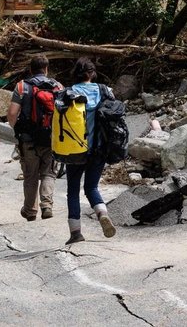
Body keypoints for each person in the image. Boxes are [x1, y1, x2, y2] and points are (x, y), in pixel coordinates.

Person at [65, 57, 116, 244]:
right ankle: (102, 212)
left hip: (74, 150)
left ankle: (76, 233)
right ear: (92, 73)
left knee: (72, 190)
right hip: (100, 148)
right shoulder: (105, 91)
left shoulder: (68, 92)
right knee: (91, 187)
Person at [7, 55, 63, 221]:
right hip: (51, 139)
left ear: (31, 69)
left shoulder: (22, 86)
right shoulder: (58, 87)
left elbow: (11, 113)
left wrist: (16, 128)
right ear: (46, 69)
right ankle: (46, 205)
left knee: (30, 175)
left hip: (28, 139)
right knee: (49, 173)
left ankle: (30, 211)